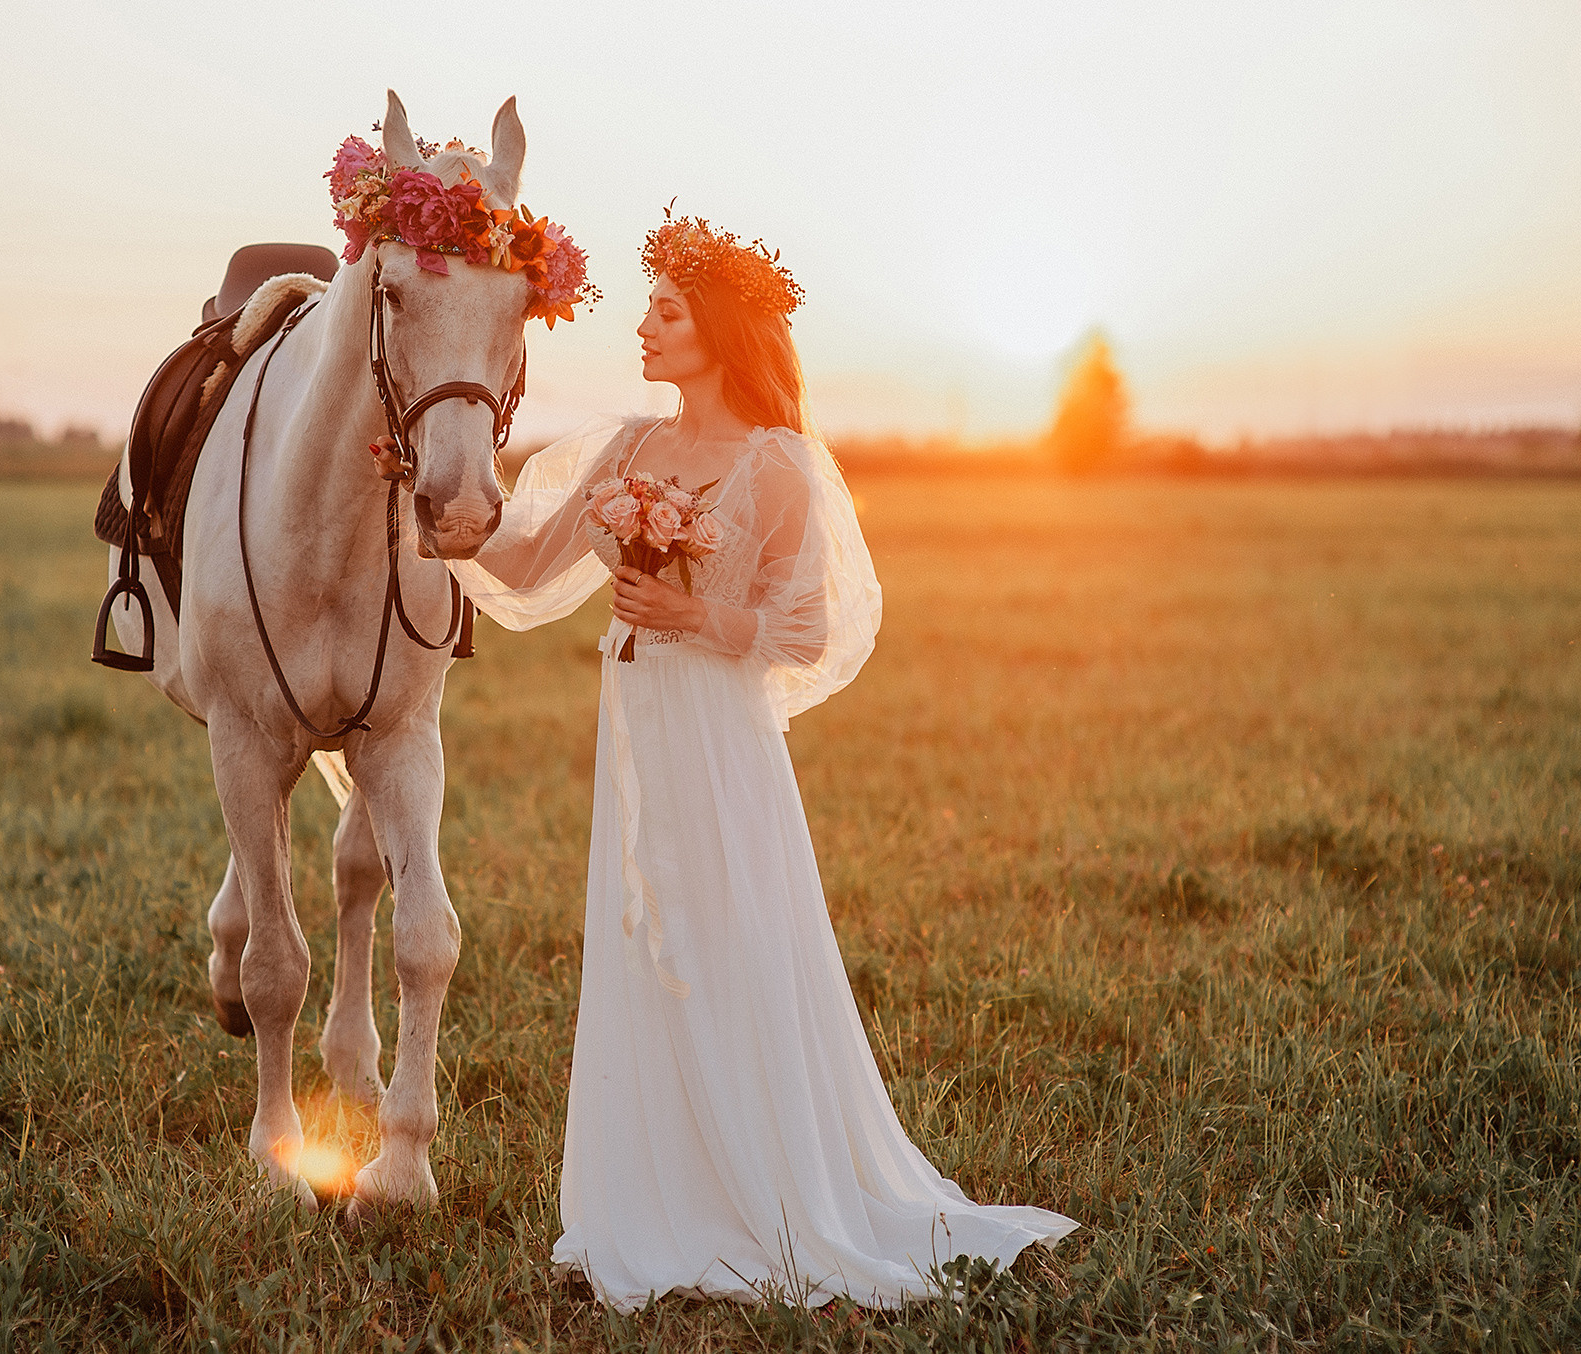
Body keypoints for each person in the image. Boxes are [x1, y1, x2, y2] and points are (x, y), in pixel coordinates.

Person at [373, 214, 1077, 1311]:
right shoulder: (626, 451)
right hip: (637, 727)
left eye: (666, 310)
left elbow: (804, 630)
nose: (643, 328)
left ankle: (773, 1193)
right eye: (648, 308)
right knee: (644, 942)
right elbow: (525, 554)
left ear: (718, 333)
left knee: (734, 941)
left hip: (719, 737)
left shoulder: (776, 463)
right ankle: (656, 1197)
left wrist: (694, 614)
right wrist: (430, 498)